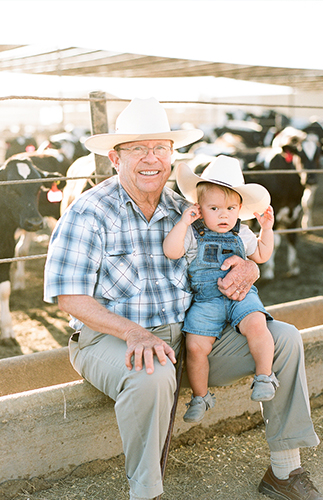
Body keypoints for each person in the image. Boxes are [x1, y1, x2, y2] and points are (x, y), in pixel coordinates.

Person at [44, 97, 321, 500]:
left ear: (172, 155)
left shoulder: (187, 209)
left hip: (189, 335)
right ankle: (147, 492)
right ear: (114, 157)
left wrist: (251, 268)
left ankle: (284, 472)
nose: (150, 158)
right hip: (112, 337)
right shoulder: (89, 212)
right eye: (138, 148)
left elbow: (242, 250)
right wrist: (134, 333)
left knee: (286, 339)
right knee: (151, 374)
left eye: (160, 148)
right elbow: (68, 297)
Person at [163, 156, 278, 423]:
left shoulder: (244, 233)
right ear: (199, 209)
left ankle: (264, 376)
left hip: (242, 295)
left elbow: (261, 254)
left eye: (230, 208)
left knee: (257, 324)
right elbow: (171, 251)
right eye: (214, 208)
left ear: (240, 208)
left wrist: (267, 229)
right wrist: (183, 223)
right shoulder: (192, 233)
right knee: (194, 346)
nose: (223, 214)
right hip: (206, 301)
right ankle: (201, 397)